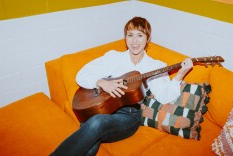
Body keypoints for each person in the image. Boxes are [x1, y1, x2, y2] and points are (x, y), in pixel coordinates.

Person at [50, 16, 193, 156]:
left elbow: (164, 97)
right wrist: (102, 82)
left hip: (130, 116)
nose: (135, 41)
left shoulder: (155, 66)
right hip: (105, 107)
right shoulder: (114, 57)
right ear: (125, 38)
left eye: (140, 35)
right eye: (130, 35)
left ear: (148, 39)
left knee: (95, 123)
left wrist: (180, 75)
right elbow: (81, 75)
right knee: (91, 132)